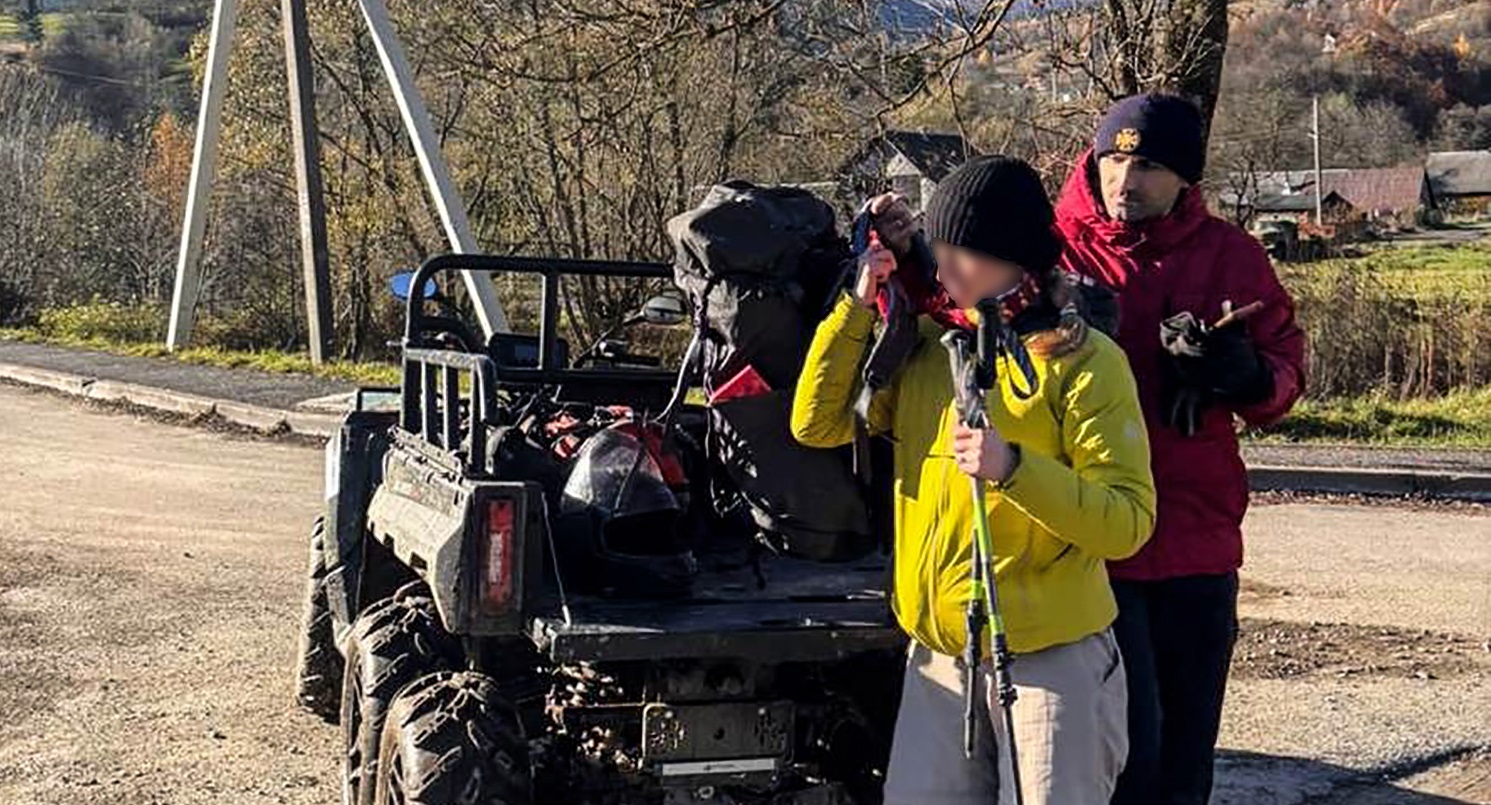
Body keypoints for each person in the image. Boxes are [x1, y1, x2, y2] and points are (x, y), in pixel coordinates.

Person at [791, 155, 1157, 805]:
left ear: (1013, 258)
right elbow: (816, 424)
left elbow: (1126, 522)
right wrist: (857, 306)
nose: (943, 268)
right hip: (939, 657)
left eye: (962, 252)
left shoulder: (1085, 361)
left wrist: (1013, 469)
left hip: (1054, 662)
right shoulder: (929, 347)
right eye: (939, 249)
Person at [1053, 94, 1307, 805]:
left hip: (1196, 538)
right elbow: (962, 311)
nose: (1125, 179)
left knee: (1185, 758)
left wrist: (1246, 373)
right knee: (1120, 754)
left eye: (1148, 165)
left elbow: (1284, 371)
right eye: (1113, 158)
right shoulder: (1050, 248)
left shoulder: (1232, 256)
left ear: (1184, 177)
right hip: (1089, 543)